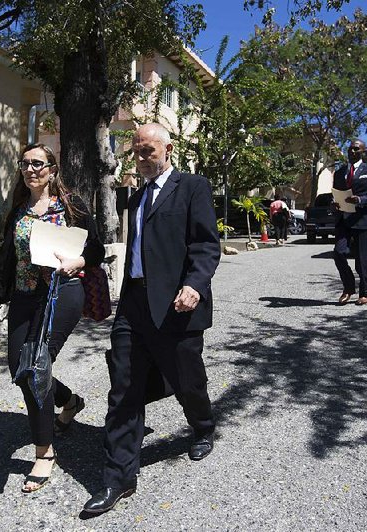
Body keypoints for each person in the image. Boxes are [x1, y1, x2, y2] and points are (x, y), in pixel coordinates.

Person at [82, 123, 221, 515]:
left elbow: (207, 244)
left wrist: (194, 284)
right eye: (137, 152)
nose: (142, 158)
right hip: (134, 305)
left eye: (149, 151)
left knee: (186, 378)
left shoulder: (192, 187)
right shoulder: (136, 197)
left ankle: (203, 425)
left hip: (178, 303)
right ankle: (117, 479)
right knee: (124, 385)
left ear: (168, 148)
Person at [0, 143, 104, 493]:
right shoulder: (18, 212)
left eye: (38, 164)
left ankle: (44, 453)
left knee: (36, 367)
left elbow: (96, 248)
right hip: (25, 297)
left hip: (63, 294)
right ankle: (70, 401)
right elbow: (4, 265)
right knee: (21, 367)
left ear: (52, 169)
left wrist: (80, 261)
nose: (31, 170)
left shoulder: (71, 206)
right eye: (25, 164)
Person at [331, 139, 367, 306]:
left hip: (363, 220)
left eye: (356, 149)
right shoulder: (339, 173)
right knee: (338, 253)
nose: (352, 151)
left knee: (362, 259)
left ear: (362, 152)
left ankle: (364, 292)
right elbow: (337, 193)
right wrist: (335, 203)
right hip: (344, 220)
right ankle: (348, 288)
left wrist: (360, 199)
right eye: (350, 149)